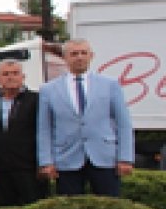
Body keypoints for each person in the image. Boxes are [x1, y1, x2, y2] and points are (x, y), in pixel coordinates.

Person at [37, 38, 134, 196]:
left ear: (91, 56)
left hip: (104, 156)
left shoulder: (110, 85)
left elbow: (123, 123)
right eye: (74, 54)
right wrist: (46, 161)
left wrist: (125, 158)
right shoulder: (48, 90)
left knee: (108, 208)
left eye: (83, 53)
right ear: (65, 57)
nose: (79, 57)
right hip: (66, 158)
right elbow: (44, 128)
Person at [0, 60, 46, 206]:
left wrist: (43, 163)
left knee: (34, 208)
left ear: (23, 77)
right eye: (5, 74)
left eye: (15, 73)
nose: (10, 77)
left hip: (29, 168)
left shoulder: (37, 100)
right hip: (0, 169)